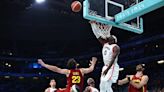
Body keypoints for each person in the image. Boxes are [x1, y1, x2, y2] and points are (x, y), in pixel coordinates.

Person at [89, 21, 120, 92]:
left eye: (111, 36)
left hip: (112, 67)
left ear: (114, 40)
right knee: (102, 85)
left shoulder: (115, 47)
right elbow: (98, 37)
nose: (110, 36)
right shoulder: (105, 44)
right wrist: (93, 26)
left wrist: (107, 69)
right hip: (105, 66)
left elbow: (113, 58)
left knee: (107, 83)